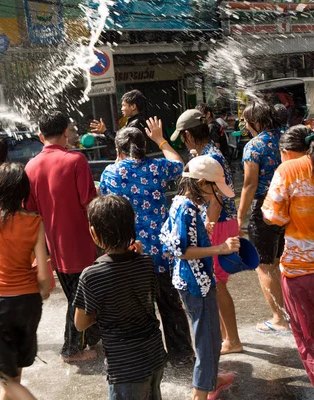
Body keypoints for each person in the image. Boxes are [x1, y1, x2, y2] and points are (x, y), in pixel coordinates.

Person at [99, 120, 194, 366]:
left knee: (140, 310)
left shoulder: (110, 173)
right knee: (170, 305)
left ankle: (148, 357)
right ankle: (181, 355)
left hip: (131, 253)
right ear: (144, 148)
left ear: (119, 152)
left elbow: (106, 207)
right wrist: (161, 140)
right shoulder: (158, 168)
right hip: (161, 253)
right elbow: (179, 165)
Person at [160, 156, 239, 400]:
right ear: (203, 182)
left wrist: (203, 231)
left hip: (194, 281)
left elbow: (170, 237)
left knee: (212, 335)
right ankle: (200, 394)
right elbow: (181, 251)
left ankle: (211, 379)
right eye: (214, 190)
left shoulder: (181, 203)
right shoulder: (186, 208)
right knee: (207, 341)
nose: (215, 196)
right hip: (196, 284)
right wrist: (220, 249)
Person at [73, 195, 167, 399]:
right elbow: (144, 298)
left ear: (94, 234)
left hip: (125, 366)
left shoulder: (91, 276)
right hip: (154, 354)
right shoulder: (146, 262)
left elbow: (80, 324)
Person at [0, 162, 51, 400]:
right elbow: (44, 274)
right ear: (24, 191)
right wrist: (43, 291)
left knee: (6, 378)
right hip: (28, 302)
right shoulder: (35, 222)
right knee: (14, 376)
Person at [25, 111, 100, 362]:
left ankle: (89, 337)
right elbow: (89, 202)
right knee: (80, 299)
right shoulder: (75, 160)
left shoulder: (31, 166)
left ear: (40, 135)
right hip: (80, 242)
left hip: (55, 244)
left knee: (76, 295)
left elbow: (31, 205)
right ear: (66, 132)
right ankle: (71, 349)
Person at [170, 109, 243, 355]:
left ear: (188, 134)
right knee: (215, 283)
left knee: (218, 284)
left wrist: (206, 229)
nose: (182, 141)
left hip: (219, 223)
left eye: (182, 136)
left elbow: (217, 200)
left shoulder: (212, 156)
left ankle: (232, 339)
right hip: (220, 222)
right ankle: (225, 336)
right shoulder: (208, 152)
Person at [262, 125, 314, 386]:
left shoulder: (289, 170)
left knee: (309, 341)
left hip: (301, 272)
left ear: (285, 151)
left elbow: (273, 215)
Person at [237, 100, 290, 333]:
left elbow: (249, 185)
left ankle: (279, 319)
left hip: (264, 209)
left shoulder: (254, 146)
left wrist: (240, 216)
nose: (246, 126)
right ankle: (289, 312)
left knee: (264, 266)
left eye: (247, 122)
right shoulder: (287, 138)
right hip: (289, 206)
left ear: (255, 122)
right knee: (280, 262)